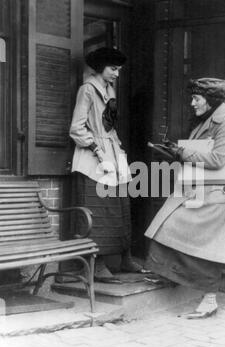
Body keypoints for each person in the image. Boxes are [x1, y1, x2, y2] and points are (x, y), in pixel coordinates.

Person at [145, 78, 225, 318]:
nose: (192, 103)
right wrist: (175, 151)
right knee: (167, 225)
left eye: (196, 99)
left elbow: (217, 160)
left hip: (218, 195)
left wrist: (182, 152)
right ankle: (167, 273)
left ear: (209, 100)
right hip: (202, 190)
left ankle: (210, 300)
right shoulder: (208, 119)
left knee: (209, 249)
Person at [70, 47, 145, 283]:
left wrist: (117, 152)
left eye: (119, 69)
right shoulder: (87, 90)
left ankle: (125, 257)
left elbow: (109, 127)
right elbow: (76, 128)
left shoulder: (109, 89)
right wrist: (96, 150)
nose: (117, 74)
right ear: (101, 66)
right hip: (94, 159)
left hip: (113, 154)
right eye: (113, 69)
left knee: (121, 207)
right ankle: (97, 264)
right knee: (98, 210)